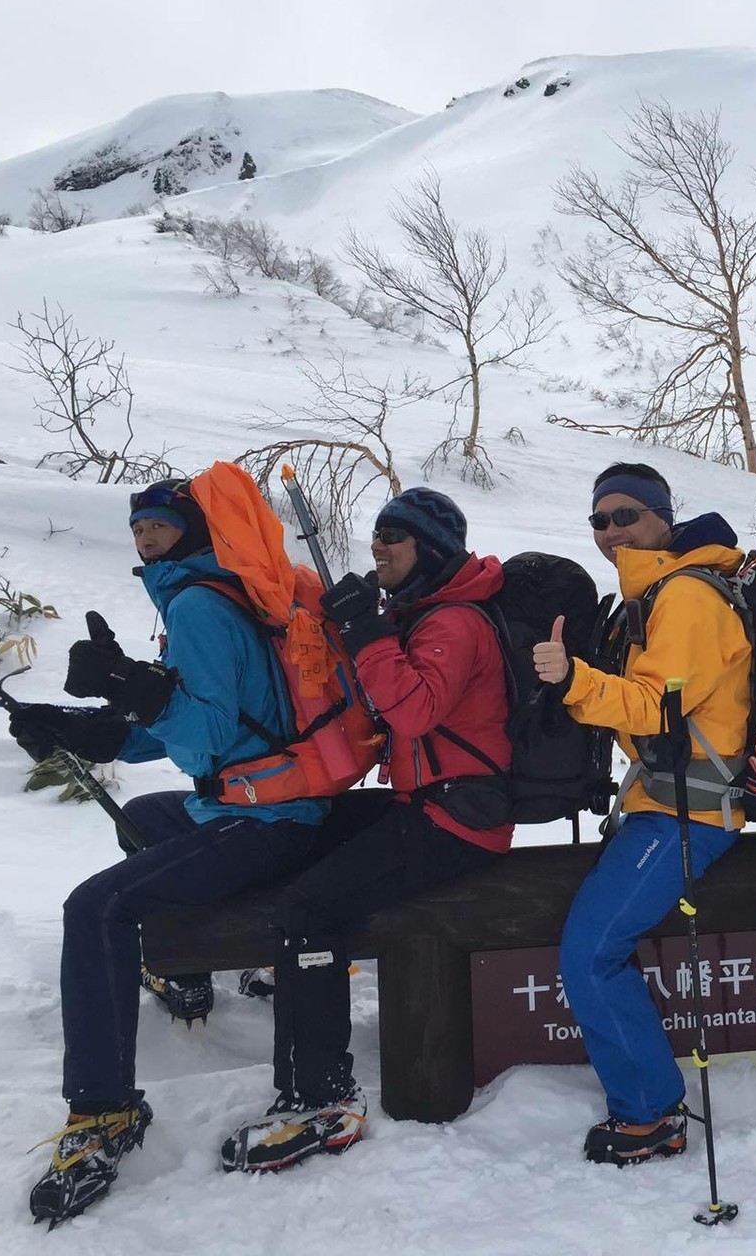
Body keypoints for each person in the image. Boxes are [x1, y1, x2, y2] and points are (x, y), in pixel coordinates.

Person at [9, 479, 333, 1225]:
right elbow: (224, 718)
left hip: (268, 817)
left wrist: (136, 692)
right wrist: (97, 728)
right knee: (150, 814)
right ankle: (187, 971)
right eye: (139, 528)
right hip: (268, 800)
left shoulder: (197, 606)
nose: (146, 538)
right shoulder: (214, 595)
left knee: (96, 908)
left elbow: (209, 735)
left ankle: (104, 1109)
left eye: (160, 525)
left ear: (193, 532)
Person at [220, 487, 516, 1171]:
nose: (378, 544)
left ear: (431, 550)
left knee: (309, 906)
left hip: (457, 820)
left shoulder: (453, 624)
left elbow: (411, 712)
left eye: (395, 535)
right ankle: (298, 978)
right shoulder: (420, 614)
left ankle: (322, 1098)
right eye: (377, 532)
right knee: (299, 827)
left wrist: (371, 634)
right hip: (427, 802)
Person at [531, 462, 752, 1166]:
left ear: (663, 517)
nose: (610, 530)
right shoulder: (653, 594)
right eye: (598, 520)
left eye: (626, 516)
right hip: (665, 803)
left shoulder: (684, 595)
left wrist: (574, 679)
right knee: (593, 951)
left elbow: (659, 710)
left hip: (689, 812)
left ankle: (650, 1114)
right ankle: (649, 1107)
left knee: (591, 957)